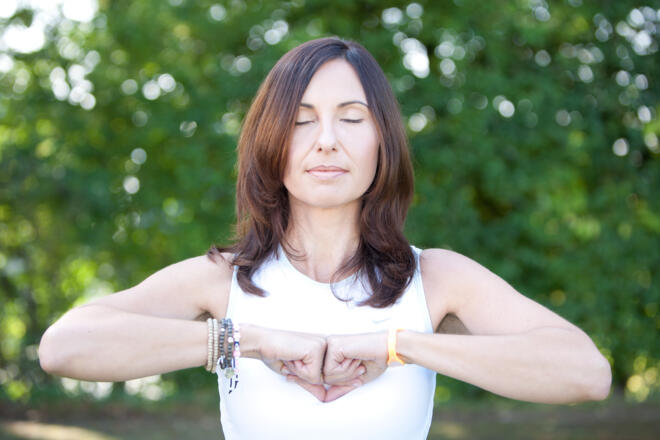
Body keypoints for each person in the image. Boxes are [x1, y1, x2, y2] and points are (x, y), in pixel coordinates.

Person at [38, 37, 612, 440]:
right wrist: (248, 341)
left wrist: (399, 347)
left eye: (352, 118)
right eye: (301, 119)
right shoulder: (223, 279)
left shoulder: (436, 278)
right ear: (272, 141)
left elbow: (586, 373)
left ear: (382, 140)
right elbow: (64, 347)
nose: (327, 140)